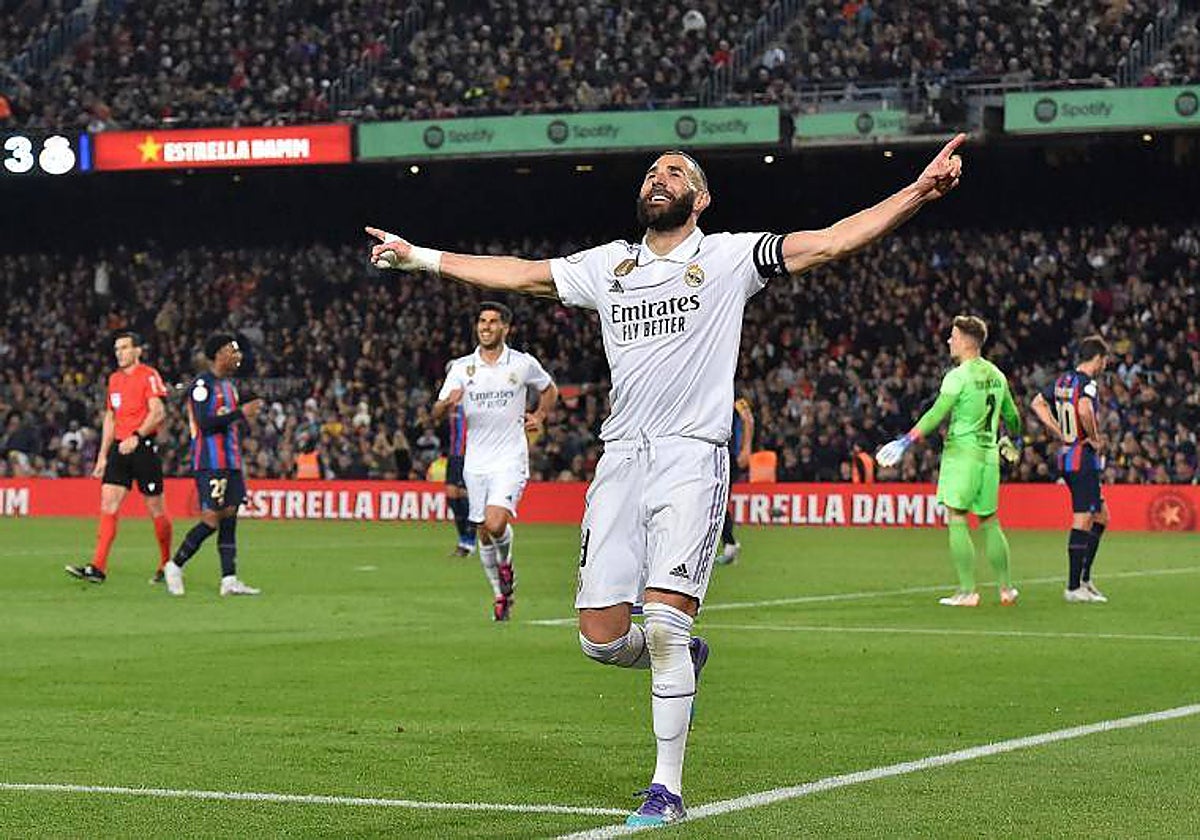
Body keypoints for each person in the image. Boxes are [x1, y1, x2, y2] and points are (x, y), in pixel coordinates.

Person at [367, 134, 965, 826]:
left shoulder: (730, 256)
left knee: (664, 627)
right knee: (598, 638)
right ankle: (682, 655)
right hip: (620, 458)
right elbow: (520, 273)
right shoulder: (607, 267)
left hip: (690, 455)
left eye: (675, 171)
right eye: (652, 171)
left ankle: (666, 790)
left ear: (700, 198)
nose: (659, 176)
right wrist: (421, 258)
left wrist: (918, 191)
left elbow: (831, 241)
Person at [876, 315, 1022, 607]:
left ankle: (967, 592)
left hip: (962, 455)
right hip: (990, 456)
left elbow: (936, 413)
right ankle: (1006, 589)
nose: (949, 341)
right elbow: (1013, 416)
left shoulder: (958, 376)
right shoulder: (997, 375)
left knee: (957, 518)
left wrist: (906, 440)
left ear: (967, 342)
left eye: (953, 336)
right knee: (990, 521)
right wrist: (1013, 440)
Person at [431, 302, 557, 621]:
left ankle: (507, 564)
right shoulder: (461, 367)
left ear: (506, 328)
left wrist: (540, 415)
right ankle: (501, 596)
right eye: (481, 321)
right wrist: (447, 403)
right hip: (475, 462)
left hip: (510, 458)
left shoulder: (522, 363)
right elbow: (434, 413)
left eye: (493, 322)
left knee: (496, 522)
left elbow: (549, 389)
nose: (486, 326)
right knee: (483, 531)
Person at [66, 331, 173, 584]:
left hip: (143, 447)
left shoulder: (149, 375)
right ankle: (98, 567)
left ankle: (167, 563)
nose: (120, 353)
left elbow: (158, 412)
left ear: (138, 351)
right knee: (108, 504)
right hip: (119, 449)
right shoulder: (114, 380)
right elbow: (110, 418)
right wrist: (102, 455)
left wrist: (137, 436)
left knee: (155, 508)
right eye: (117, 349)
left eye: (124, 348)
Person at [161, 334, 263, 597]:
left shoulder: (230, 386)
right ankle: (174, 565)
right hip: (210, 462)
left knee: (229, 517)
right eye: (232, 350)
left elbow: (226, 422)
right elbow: (205, 422)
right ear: (218, 354)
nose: (237, 355)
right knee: (211, 520)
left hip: (231, 461)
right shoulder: (202, 385)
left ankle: (229, 579)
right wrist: (241, 413)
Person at [1030, 335, 1111, 603]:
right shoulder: (1088, 384)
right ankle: (1074, 586)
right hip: (1081, 456)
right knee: (1084, 518)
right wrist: (1095, 438)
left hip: (1066, 454)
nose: (1105, 365)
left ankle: (1085, 579)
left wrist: (1059, 431)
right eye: (1104, 360)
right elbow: (1086, 410)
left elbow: (1037, 403)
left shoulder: (1064, 381)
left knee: (1101, 517)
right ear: (1097, 359)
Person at [716, 396, 753, 565]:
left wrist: (746, 448)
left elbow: (748, 419)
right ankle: (729, 544)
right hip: (714, 454)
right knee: (715, 501)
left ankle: (730, 544)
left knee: (718, 501)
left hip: (728, 456)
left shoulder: (735, 396)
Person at [442, 374, 476, 557]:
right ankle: (463, 538)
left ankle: (470, 542)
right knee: (451, 496)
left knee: (464, 496)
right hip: (454, 455)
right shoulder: (450, 402)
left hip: (468, 455)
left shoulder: (474, 400)